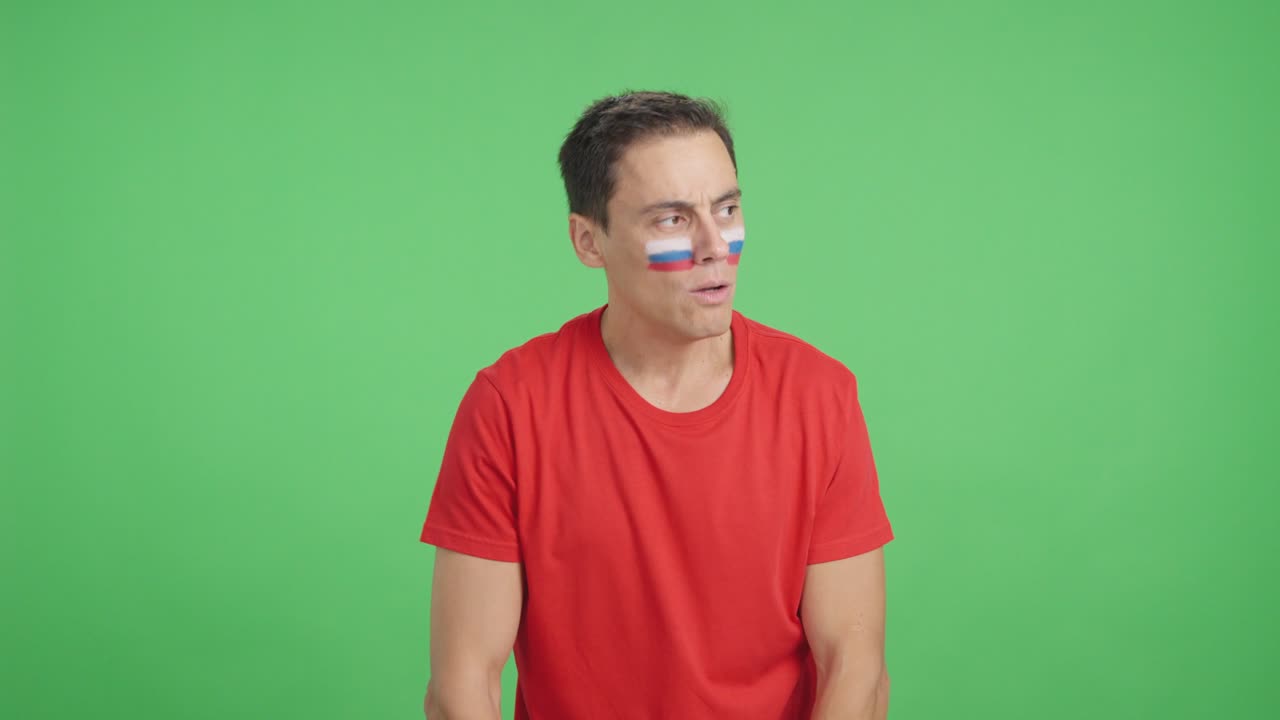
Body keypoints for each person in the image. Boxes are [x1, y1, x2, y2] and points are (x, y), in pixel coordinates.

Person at [419, 90, 894, 720]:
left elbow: (854, 669)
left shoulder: (820, 396)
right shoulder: (509, 406)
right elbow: (463, 686)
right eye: (671, 219)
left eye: (726, 209)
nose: (712, 245)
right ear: (589, 242)